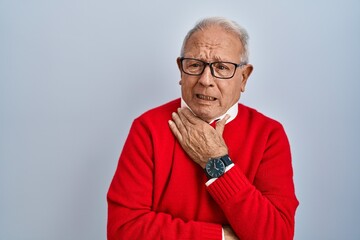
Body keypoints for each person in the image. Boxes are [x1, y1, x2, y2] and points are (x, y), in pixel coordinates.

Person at [107, 16, 299, 240]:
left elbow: (277, 235)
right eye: (195, 65)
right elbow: (123, 231)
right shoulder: (148, 128)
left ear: (244, 77)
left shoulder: (268, 135)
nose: (205, 80)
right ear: (181, 70)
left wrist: (216, 162)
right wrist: (221, 237)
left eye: (221, 67)